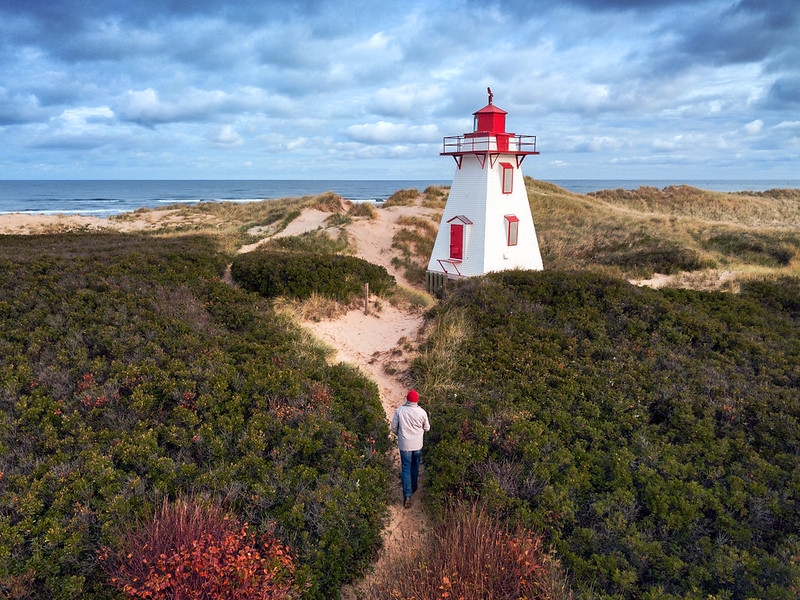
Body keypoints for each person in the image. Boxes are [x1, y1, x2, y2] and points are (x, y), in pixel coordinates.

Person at [390, 389, 430, 508]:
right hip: (417, 445)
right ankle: (414, 487)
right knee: (415, 466)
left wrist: (400, 435)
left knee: (406, 468)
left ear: (407, 399)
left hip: (404, 446)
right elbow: (427, 428)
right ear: (417, 400)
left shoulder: (400, 411)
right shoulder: (422, 412)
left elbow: (393, 428)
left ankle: (407, 495)